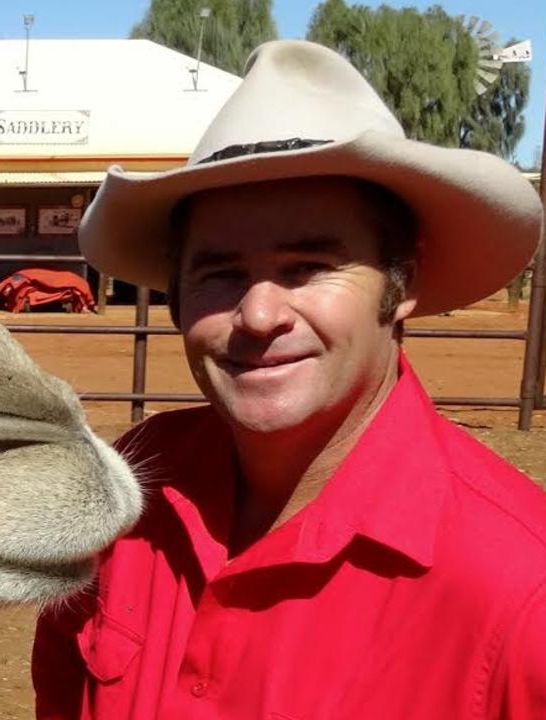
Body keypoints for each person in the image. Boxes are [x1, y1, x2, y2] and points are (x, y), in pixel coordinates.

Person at [32, 40, 546, 719]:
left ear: (403, 283)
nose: (259, 313)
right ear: (178, 296)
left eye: (308, 267)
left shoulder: (519, 592)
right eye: (219, 272)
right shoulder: (128, 496)